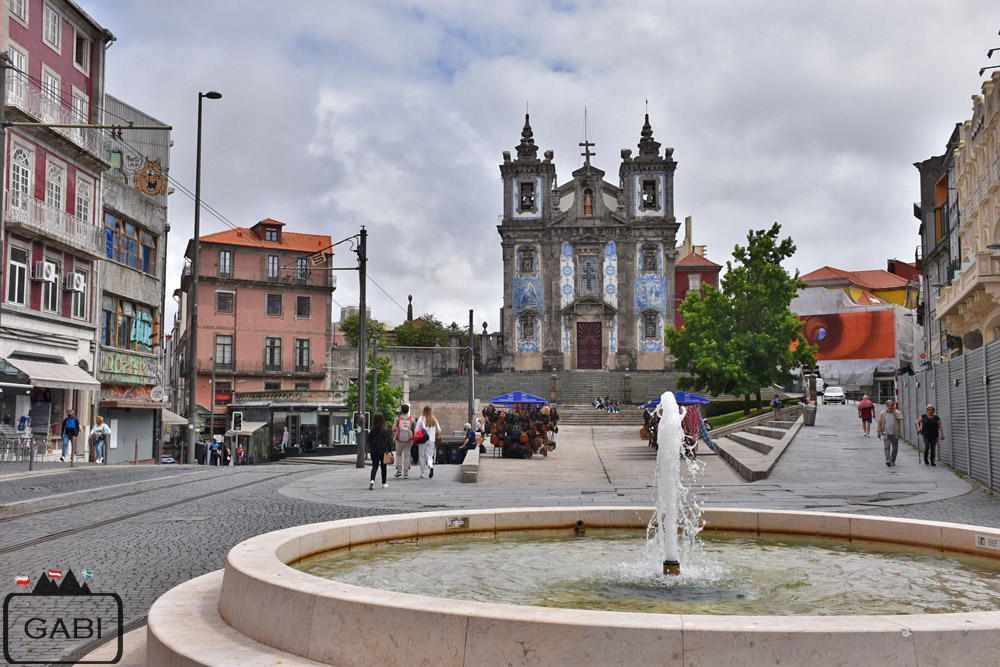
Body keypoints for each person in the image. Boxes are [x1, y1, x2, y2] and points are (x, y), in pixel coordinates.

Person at [414, 406, 440, 479]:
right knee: (429, 455)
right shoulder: (434, 419)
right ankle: (430, 466)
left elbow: (416, 430)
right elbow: (439, 429)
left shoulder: (421, 418)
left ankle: (422, 473)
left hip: (423, 439)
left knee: (422, 456)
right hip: (431, 440)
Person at [367, 412, 391, 490]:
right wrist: (389, 450)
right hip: (383, 451)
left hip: (374, 451)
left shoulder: (372, 430)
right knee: (383, 467)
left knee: (374, 466)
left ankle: (372, 481)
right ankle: (384, 483)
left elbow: (368, 440)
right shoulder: (386, 430)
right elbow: (389, 442)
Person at [876, 399, 903, 467]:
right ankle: (887, 460)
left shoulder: (896, 412)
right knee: (887, 447)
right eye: (889, 405)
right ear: (886, 406)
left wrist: (895, 412)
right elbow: (880, 423)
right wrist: (878, 432)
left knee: (895, 448)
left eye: (891, 405)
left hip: (895, 433)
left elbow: (900, 418)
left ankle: (892, 460)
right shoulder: (882, 413)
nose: (890, 407)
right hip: (886, 433)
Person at [392, 404, 414, 479]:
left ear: (401, 410)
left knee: (398, 454)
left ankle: (399, 471)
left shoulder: (398, 418)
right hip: (408, 440)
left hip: (399, 440)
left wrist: (394, 436)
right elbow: (414, 429)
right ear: (408, 410)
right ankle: (406, 473)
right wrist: (413, 439)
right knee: (407, 456)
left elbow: (393, 428)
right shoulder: (411, 419)